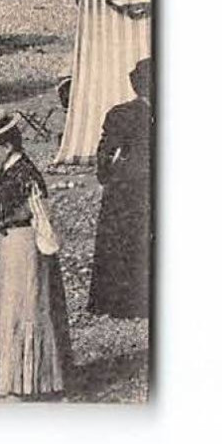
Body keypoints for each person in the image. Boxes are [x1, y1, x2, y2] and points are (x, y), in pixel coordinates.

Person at [0, 109, 72, 400]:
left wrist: (46, 251)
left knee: (25, 306)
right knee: (8, 305)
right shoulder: (7, 170)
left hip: (25, 247)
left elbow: (41, 216)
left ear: (3, 144)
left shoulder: (26, 174)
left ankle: (28, 381)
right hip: (8, 247)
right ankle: (9, 375)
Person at [88, 59, 152, 319]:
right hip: (138, 187)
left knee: (119, 245)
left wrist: (106, 176)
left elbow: (105, 152)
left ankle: (118, 304)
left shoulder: (120, 113)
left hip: (124, 188)